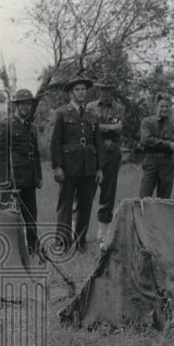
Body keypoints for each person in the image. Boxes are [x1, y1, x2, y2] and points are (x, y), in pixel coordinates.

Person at [50, 74, 104, 254]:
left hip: (88, 166)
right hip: (68, 166)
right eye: (77, 90)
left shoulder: (92, 114)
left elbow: (98, 142)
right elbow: (55, 142)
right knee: (65, 206)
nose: (81, 93)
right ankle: (62, 243)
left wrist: (99, 168)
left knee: (85, 205)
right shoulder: (61, 113)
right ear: (71, 93)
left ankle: (81, 242)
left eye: (83, 90)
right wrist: (57, 166)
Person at [0, 88, 43, 255]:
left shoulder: (32, 128)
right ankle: (7, 249)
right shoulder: (5, 125)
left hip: (28, 179)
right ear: (17, 105)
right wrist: (3, 179)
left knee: (31, 216)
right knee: (8, 216)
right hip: (11, 180)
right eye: (22, 104)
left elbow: (35, 154)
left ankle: (33, 248)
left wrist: (38, 177)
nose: (25, 107)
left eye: (28, 104)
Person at [86, 78, 125, 244]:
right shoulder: (90, 107)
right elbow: (88, 127)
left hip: (111, 151)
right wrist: (106, 127)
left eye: (109, 89)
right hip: (93, 151)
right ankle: (79, 231)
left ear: (112, 91)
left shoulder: (119, 108)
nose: (105, 92)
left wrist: (99, 126)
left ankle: (102, 233)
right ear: (98, 90)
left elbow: (117, 129)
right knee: (87, 189)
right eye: (103, 89)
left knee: (108, 191)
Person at [139, 95, 174, 199]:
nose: (164, 109)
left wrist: (155, 143)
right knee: (144, 197)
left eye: (167, 106)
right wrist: (167, 144)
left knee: (164, 200)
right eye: (162, 106)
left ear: (170, 108)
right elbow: (145, 140)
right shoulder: (147, 122)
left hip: (167, 162)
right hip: (150, 160)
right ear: (156, 107)